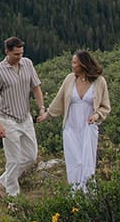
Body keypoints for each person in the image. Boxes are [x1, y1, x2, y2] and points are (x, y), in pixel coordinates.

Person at [40, 49, 111, 192]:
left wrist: (96, 115)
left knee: (87, 163)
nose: (72, 66)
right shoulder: (69, 79)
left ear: (83, 64)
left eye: (75, 63)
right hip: (71, 127)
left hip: (88, 128)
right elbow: (59, 100)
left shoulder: (99, 81)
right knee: (74, 163)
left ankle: (89, 196)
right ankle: (75, 197)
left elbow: (105, 106)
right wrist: (47, 115)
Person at [0, 36, 45, 199]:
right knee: (13, 160)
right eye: (16, 54)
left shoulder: (27, 64)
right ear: (7, 52)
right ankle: (13, 199)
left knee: (31, 155)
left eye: (21, 53)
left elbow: (36, 87)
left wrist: (41, 108)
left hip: (25, 117)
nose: (19, 57)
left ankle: (3, 181)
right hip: (7, 119)